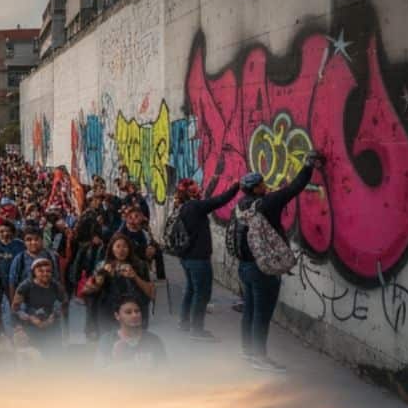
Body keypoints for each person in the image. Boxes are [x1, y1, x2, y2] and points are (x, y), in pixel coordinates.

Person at [233, 154, 324, 372]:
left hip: (245, 267)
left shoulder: (242, 206)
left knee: (250, 310)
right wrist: (308, 165)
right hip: (264, 269)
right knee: (262, 315)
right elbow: (294, 188)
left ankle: (248, 352)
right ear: (255, 189)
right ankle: (259, 357)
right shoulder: (268, 203)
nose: (265, 185)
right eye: (262, 183)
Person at [169, 178, 238, 341]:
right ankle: (197, 330)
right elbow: (219, 200)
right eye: (195, 186)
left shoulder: (183, 206)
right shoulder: (195, 206)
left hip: (186, 257)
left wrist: (215, 179)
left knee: (191, 290)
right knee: (202, 294)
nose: (199, 187)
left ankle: (184, 322)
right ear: (189, 191)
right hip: (198, 259)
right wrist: (236, 186)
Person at [94, 297, 168, 368]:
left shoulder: (154, 340)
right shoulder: (107, 340)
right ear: (117, 316)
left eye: (137, 311)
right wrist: (116, 360)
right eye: (128, 312)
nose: (134, 315)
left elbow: (166, 373)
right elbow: (99, 376)